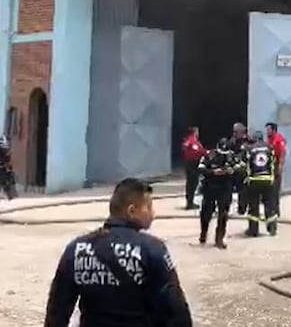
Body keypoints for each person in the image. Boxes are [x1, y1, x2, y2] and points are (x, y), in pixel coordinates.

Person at [43, 178, 193, 327]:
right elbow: (174, 308)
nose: (153, 213)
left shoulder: (77, 248)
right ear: (132, 211)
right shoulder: (152, 248)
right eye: (148, 207)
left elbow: (57, 308)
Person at [198, 137, 243, 249]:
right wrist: (213, 172)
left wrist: (232, 171)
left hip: (225, 188)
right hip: (210, 187)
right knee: (206, 213)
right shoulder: (209, 155)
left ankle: (219, 238)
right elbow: (200, 168)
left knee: (223, 213)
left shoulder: (232, 156)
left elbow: (241, 166)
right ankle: (203, 233)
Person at [244, 131, 279, 237]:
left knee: (253, 205)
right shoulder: (269, 148)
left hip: (254, 180)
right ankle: (272, 228)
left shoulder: (250, 149)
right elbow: (273, 162)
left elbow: (247, 164)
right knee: (269, 204)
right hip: (268, 180)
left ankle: (253, 230)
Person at [228, 123, 252, 216]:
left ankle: (242, 209)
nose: (234, 133)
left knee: (243, 190)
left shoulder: (248, 141)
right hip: (233, 169)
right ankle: (226, 208)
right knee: (228, 189)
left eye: (236, 131)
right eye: (234, 131)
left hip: (243, 170)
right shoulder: (232, 142)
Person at [179, 126, 206, 210]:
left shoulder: (187, 140)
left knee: (190, 183)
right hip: (193, 164)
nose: (198, 133)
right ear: (194, 132)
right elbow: (197, 151)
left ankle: (189, 201)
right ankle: (190, 203)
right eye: (197, 131)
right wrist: (205, 153)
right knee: (192, 183)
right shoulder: (193, 140)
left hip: (188, 163)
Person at [266, 121, 287, 210]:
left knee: (275, 188)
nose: (267, 132)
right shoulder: (268, 139)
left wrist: (280, 167)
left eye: (268, 130)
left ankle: (276, 209)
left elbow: (282, 153)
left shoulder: (279, 139)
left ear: (274, 130)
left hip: (276, 164)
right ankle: (271, 207)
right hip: (270, 165)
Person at [0, 135, 16, 200]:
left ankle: (9, 193)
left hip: (3, 169)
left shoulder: (6, 152)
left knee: (8, 176)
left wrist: (9, 168)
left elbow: (8, 163)